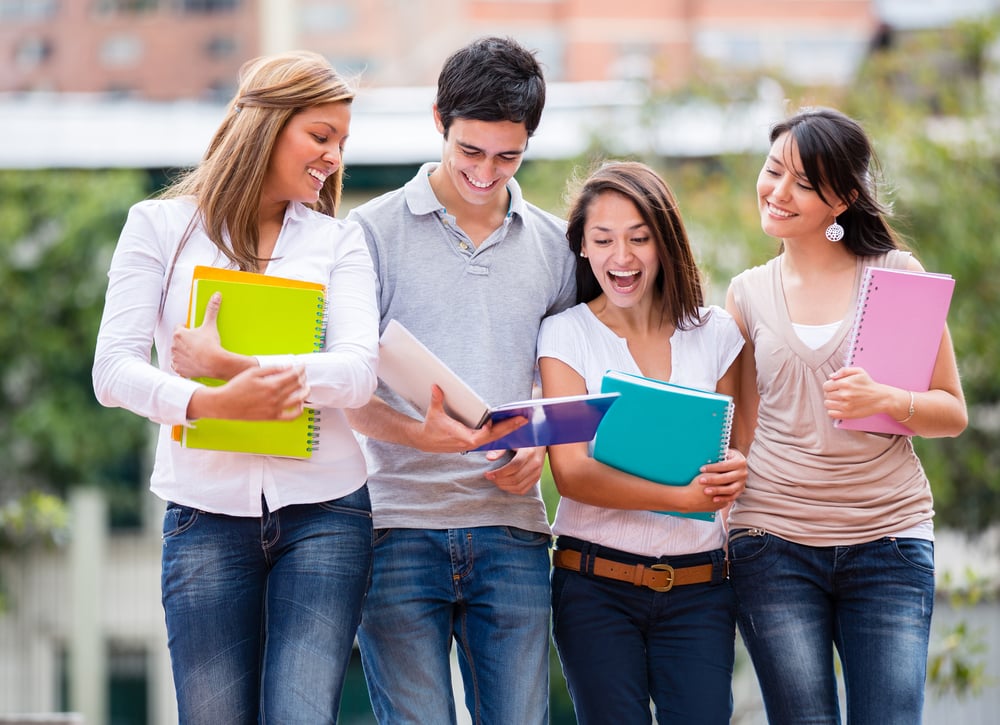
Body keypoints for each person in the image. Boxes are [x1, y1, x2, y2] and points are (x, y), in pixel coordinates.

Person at [92, 51, 380, 723]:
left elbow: (356, 371)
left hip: (327, 514)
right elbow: (113, 370)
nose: (334, 156)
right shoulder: (159, 227)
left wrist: (232, 366)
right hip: (203, 516)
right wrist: (208, 403)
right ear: (267, 126)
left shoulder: (340, 243)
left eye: (342, 141)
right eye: (321, 135)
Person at [344, 36, 576, 724]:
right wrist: (420, 433)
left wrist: (539, 443)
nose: (486, 172)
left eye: (508, 156)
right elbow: (347, 389)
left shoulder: (557, 247)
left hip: (513, 530)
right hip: (396, 526)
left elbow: (566, 386)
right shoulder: (369, 233)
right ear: (439, 117)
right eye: (469, 151)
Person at [725, 107, 968, 724]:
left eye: (804, 183)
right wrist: (726, 526)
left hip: (887, 538)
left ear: (843, 200)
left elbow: (951, 411)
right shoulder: (746, 294)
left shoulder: (895, 276)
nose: (779, 192)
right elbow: (743, 427)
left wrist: (886, 400)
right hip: (772, 540)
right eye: (774, 170)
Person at [536, 161, 747, 724]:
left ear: (665, 242)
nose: (620, 258)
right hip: (594, 586)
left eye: (638, 238)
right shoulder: (564, 334)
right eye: (603, 240)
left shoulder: (718, 333)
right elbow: (573, 474)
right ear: (581, 246)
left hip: (701, 587)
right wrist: (682, 499)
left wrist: (735, 470)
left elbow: (736, 452)